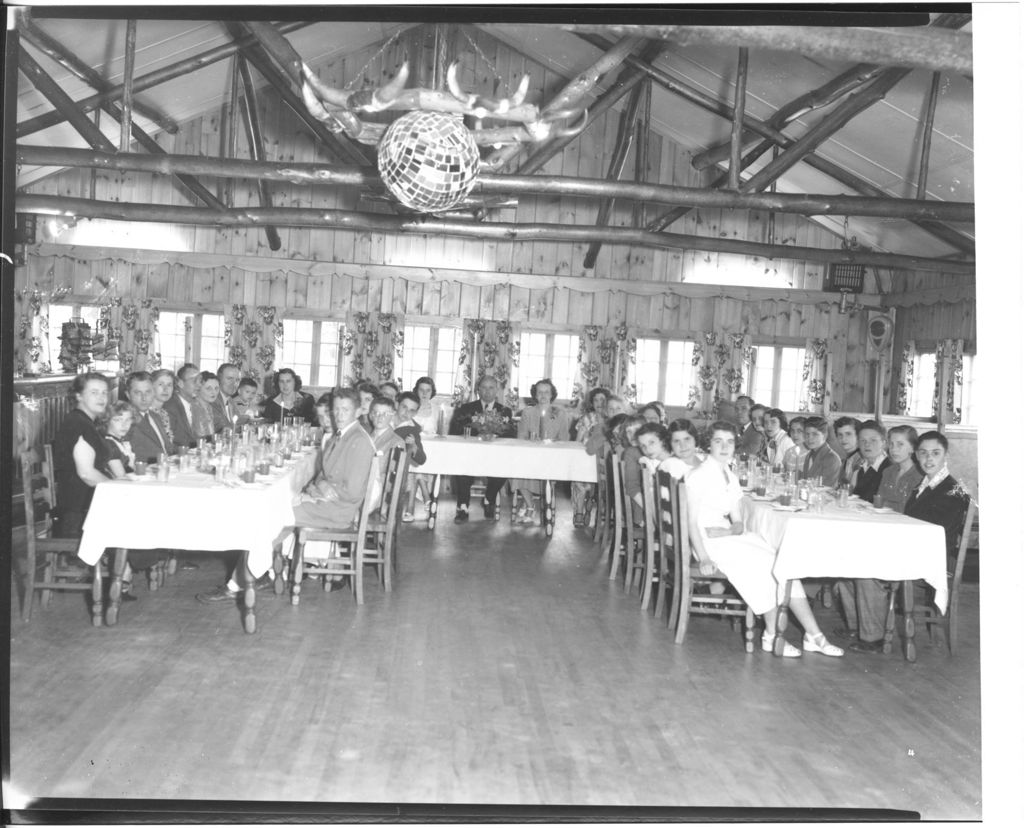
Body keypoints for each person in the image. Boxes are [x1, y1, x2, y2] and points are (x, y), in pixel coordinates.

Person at [196, 388, 376, 605]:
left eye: (345, 410)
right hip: (325, 502)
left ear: (357, 412)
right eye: (336, 409)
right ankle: (264, 572)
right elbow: (323, 475)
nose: (339, 414)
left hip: (337, 511)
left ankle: (238, 584)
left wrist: (317, 492)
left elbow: (352, 492)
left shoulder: (359, 440)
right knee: (273, 515)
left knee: (269, 517)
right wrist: (316, 489)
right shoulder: (342, 434)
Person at [685, 421, 843, 658]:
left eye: (729, 442)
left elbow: (737, 521)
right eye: (718, 441)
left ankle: (813, 635)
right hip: (706, 542)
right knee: (764, 565)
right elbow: (691, 523)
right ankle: (772, 633)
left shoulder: (728, 473)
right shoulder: (698, 475)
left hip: (724, 536)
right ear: (708, 443)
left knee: (781, 561)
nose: (724, 446)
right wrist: (705, 557)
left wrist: (731, 530)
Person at [839, 432, 970, 655]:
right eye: (923, 453)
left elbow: (936, 536)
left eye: (935, 453)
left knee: (864, 569)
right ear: (917, 455)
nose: (929, 459)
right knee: (847, 562)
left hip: (929, 559)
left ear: (945, 455)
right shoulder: (926, 484)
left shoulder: (952, 490)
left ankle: (873, 638)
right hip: (913, 549)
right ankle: (858, 626)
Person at [448, 374, 515, 524]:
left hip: (494, 458)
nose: (487, 391)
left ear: (497, 391)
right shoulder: (466, 409)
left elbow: (511, 434)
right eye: (483, 387)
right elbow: (454, 430)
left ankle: (488, 500)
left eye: (491, 388)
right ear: (478, 390)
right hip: (470, 456)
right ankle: (463, 507)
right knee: (462, 470)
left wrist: (494, 434)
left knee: (504, 469)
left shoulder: (505, 411)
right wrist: (478, 432)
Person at [513, 379, 571, 524]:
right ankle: (530, 504)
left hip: (551, 457)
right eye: (540, 392)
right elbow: (521, 437)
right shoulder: (528, 412)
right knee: (515, 471)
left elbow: (564, 438)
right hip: (531, 455)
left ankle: (529, 505)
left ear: (552, 395)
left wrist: (552, 443)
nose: (543, 395)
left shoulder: (560, 413)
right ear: (535, 395)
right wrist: (530, 441)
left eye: (547, 392)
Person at [571, 387, 609, 527]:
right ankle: (579, 511)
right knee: (580, 480)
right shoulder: (587, 418)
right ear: (592, 403)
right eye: (596, 400)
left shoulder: (611, 418)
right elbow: (578, 441)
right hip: (587, 457)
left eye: (603, 400)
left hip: (605, 460)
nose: (599, 403)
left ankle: (604, 512)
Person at [406, 377, 442, 520]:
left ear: (432, 392)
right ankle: (427, 498)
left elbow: (438, 431)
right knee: (416, 466)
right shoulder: (411, 406)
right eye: (421, 390)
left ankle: (410, 510)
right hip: (411, 448)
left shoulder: (436, 409)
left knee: (419, 467)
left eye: (428, 390)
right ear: (416, 390)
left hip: (430, 452)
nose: (424, 393)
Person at [394, 391, 427, 522]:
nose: (407, 413)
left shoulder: (412, 429)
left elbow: (421, 459)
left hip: (392, 472)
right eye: (404, 407)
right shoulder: (385, 417)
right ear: (397, 405)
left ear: (416, 413)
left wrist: (414, 447)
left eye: (412, 411)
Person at [126, 371, 171, 464]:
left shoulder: (155, 416)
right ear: (128, 395)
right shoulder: (126, 420)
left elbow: (165, 448)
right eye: (138, 393)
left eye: (148, 392)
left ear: (154, 393)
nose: (144, 398)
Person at [876, 425, 924, 511]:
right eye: (891, 444)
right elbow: (879, 501)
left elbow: (910, 508)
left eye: (900, 444)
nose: (894, 449)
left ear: (912, 448)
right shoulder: (888, 472)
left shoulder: (919, 476)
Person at [849, 420, 891, 501]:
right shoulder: (861, 467)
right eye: (863, 440)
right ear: (858, 444)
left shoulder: (890, 468)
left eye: (873, 440)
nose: (867, 444)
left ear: (884, 443)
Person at [798, 416, 842, 487]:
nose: (809, 438)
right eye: (807, 434)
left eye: (815, 434)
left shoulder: (832, 459)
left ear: (824, 435)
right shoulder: (809, 455)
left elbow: (827, 488)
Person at [163, 363, 198, 449]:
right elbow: (168, 443)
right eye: (194, 381)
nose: (199, 385)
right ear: (181, 383)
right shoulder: (170, 406)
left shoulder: (197, 405)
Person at [151, 368, 187, 450]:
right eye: (161, 384)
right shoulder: (146, 413)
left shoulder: (164, 413)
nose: (165, 389)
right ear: (151, 387)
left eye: (169, 385)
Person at [101, 400, 137, 479]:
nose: (124, 425)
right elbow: (121, 477)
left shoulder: (120, 442)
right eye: (118, 420)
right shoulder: (109, 444)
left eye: (128, 420)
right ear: (107, 421)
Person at [212, 362, 241, 433]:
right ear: (219, 380)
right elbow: (220, 426)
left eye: (237, 380)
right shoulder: (212, 399)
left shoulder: (230, 400)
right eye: (229, 379)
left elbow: (238, 423)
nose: (234, 384)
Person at [191, 371, 220, 443]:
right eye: (209, 388)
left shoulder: (209, 407)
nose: (214, 392)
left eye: (216, 388)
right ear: (198, 389)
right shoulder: (193, 407)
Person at [834, 416, 862, 486]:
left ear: (858, 436)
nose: (843, 439)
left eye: (848, 434)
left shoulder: (861, 459)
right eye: (840, 435)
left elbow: (852, 489)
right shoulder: (846, 459)